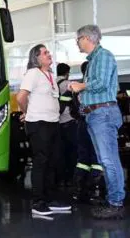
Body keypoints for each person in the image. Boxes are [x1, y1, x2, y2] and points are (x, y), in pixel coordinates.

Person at [69, 25, 125, 219]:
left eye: (78, 39)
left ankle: (116, 202)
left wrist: (80, 86)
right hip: (96, 115)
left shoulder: (103, 57)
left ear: (86, 38)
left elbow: (100, 82)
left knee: (109, 160)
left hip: (103, 114)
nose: (77, 43)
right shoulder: (94, 60)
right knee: (105, 160)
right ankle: (113, 198)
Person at [16, 44, 71, 216]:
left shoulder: (51, 76)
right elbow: (21, 97)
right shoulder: (33, 73)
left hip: (53, 123)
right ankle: (38, 202)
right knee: (41, 162)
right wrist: (27, 112)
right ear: (37, 58)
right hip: (38, 124)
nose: (49, 54)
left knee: (53, 161)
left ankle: (49, 198)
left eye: (48, 52)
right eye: (45, 53)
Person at [72, 61, 104, 204]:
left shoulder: (77, 86)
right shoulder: (94, 87)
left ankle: (79, 191)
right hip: (95, 124)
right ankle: (95, 191)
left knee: (83, 159)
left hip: (81, 125)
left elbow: (73, 108)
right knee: (96, 158)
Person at [55, 63, 78, 186]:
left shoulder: (52, 84)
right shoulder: (67, 84)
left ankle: (60, 177)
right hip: (69, 120)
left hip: (57, 122)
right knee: (73, 151)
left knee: (60, 151)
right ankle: (71, 177)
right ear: (67, 72)